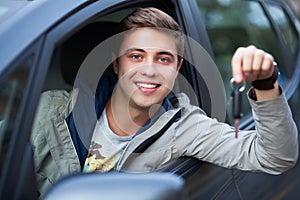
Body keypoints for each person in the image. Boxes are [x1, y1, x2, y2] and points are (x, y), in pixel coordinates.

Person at [31, 7, 298, 198]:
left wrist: (265, 83)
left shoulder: (186, 127)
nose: (149, 70)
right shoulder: (49, 111)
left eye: (163, 58)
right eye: (136, 56)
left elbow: (276, 157)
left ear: (177, 67)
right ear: (115, 62)